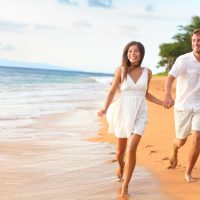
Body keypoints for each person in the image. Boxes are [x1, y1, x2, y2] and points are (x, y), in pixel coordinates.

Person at [98, 41, 163, 196]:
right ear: (126, 54)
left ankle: (125, 186)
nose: (132, 54)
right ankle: (120, 165)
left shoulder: (148, 72)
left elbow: (144, 93)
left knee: (131, 148)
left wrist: (162, 103)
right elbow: (112, 91)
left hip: (140, 113)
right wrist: (105, 108)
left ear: (141, 54)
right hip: (123, 112)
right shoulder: (120, 71)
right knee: (120, 153)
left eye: (136, 51)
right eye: (130, 52)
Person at [164, 28, 200, 182]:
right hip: (183, 106)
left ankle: (188, 172)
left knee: (197, 136)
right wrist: (167, 95)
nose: (196, 43)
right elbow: (170, 77)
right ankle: (175, 148)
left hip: (199, 106)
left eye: (199, 40)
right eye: (194, 40)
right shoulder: (183, 60)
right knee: (181, 140)